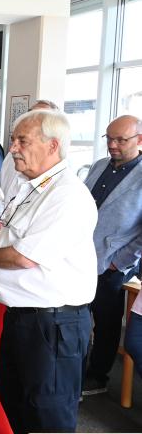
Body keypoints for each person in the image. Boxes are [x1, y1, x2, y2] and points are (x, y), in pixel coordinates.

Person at [0, 109, 97, 433]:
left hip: (53, 324)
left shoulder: (67, 194)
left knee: (47, 417)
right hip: (26, 318)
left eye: (22, 141)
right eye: (13, 140)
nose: (13, 149)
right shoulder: (34, 185)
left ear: (53, 146)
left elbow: (24, 256)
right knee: (17, 403)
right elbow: (12, 230)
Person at [80, 115, 142, 396]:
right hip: (80, 255)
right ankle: (75, 370)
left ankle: (98, 376)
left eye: (121, 140)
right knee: (78, 318)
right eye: (109, 138)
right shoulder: (99, 165)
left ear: (139, 141)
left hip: (114, 263)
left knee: (106, 323)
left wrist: (120, 262)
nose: (113, 145)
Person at [0, 99, 59, 198]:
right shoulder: (11, 156)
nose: (13, 148)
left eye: (39, 118)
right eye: (30, 115)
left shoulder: (55, 176)